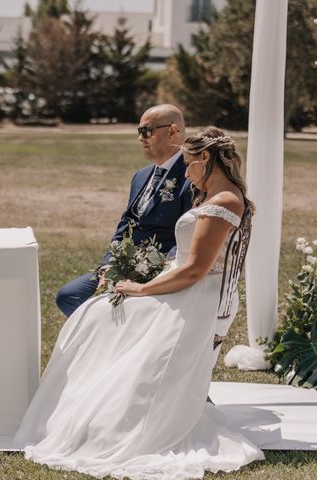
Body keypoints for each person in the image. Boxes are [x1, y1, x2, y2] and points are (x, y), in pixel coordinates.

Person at [14, 127, 263, 479]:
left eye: (189, 164)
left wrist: (141, 290)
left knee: (100, 315)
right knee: (96, 312)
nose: (187, 173)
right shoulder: (215, 194)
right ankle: (93, 411)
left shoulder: (224, 201)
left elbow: (194, 269)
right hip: (183, 286)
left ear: (205, 158)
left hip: (196, 297)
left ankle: (106, 417)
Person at [56, 104, 193, 318]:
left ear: (173, 132)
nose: (140, 138)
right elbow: (126, 225)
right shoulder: (141, 175)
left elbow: (188, 235)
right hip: (123, 265)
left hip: (158, 272)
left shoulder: (191, 175)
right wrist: (107, 266)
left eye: (146, 131)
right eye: (139, 132)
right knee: (69, 296)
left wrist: (150, 274)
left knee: (111, 309)